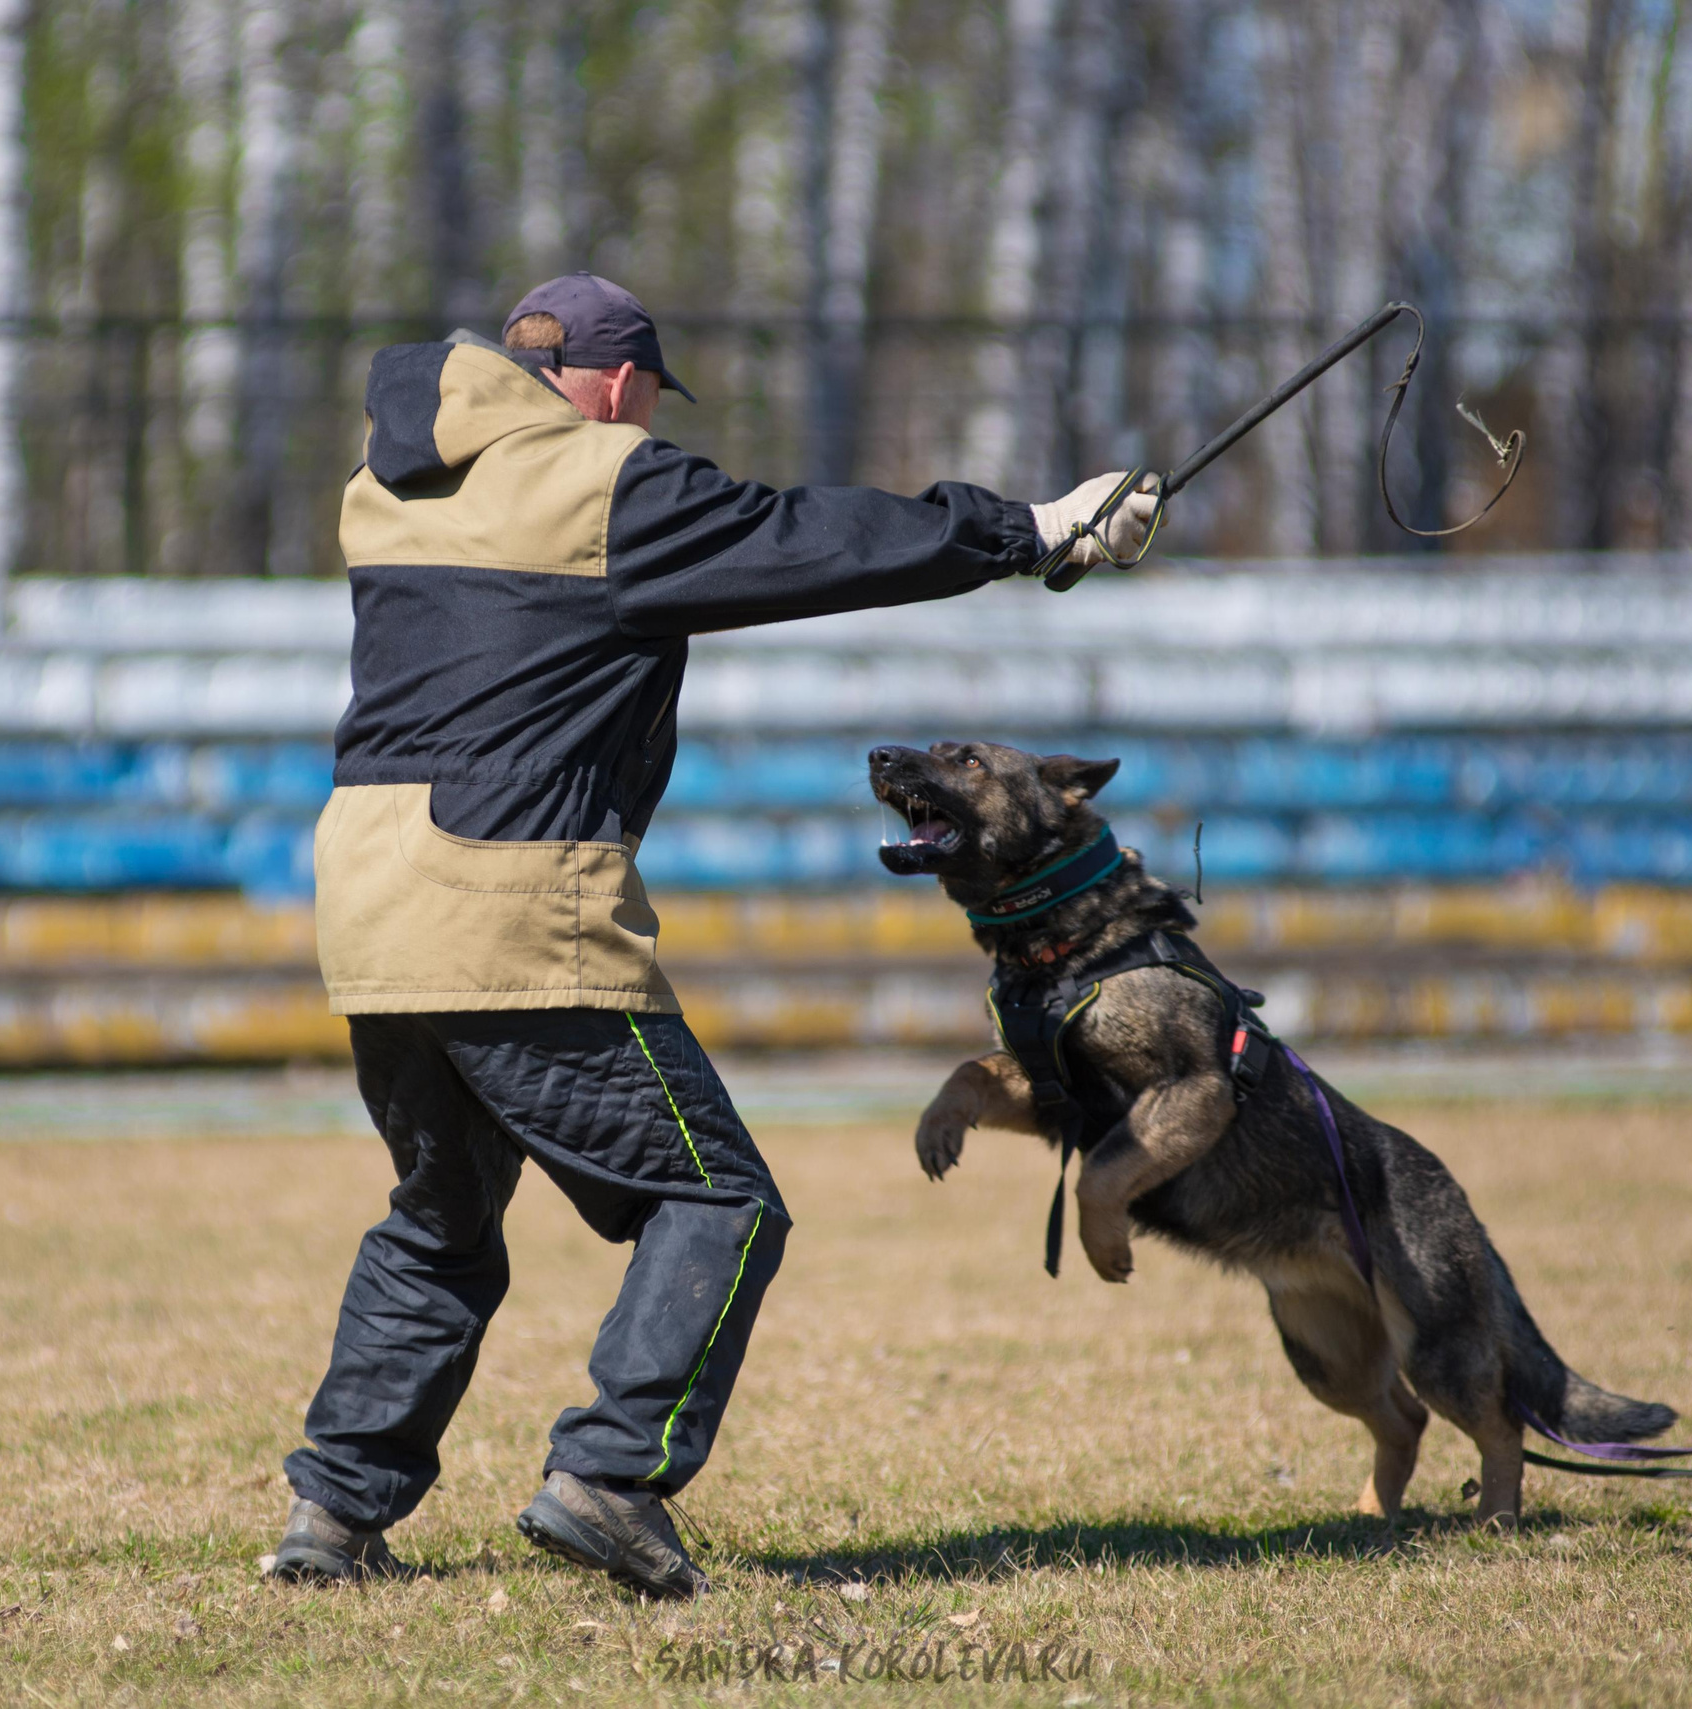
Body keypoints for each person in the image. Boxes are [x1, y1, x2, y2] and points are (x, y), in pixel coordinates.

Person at [269, 271, 1158, 1596]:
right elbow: (811, 539)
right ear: (622, 388)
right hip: (511, 901)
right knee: (718, 1198)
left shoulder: (390, 484)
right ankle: (609, 1475)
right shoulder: (601, 482)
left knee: (442, 1212)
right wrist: (1031, 531)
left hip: (368, 896)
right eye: (643, 403)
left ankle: (332, 1516)